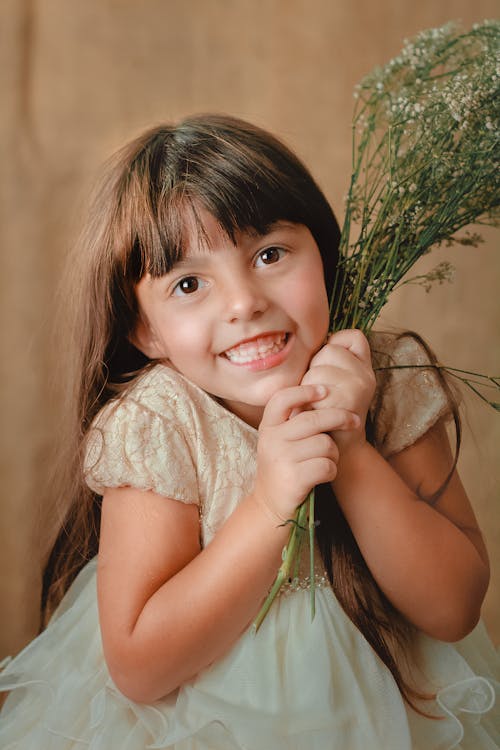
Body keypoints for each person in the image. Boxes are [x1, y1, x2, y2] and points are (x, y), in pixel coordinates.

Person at [0, 114, 498, 749]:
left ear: (323, 253)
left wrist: (348, 443)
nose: (243, 303)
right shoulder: (162, 422)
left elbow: (454, 608)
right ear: (145, 332)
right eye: (188, 284)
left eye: (269, 254)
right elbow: (141, 666)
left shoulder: (388, 378)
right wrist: (269, 501)